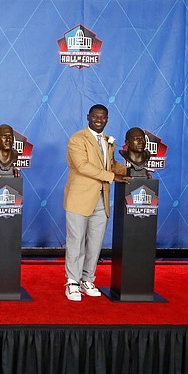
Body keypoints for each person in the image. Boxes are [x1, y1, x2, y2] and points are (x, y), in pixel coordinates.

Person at [63, 104, 128, 301]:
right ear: (88, 117)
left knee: (95, 242)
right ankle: (72, 282)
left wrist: (131, 171)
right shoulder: (77, 139)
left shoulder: (108, 141)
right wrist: (111, 176)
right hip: (79, 198)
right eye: (95, 116)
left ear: (107, 119)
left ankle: (87, 279)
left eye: (103, 117)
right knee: (76, 241)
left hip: (102, 198)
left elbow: (111, 164)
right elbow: (83, 166)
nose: (99, 120)